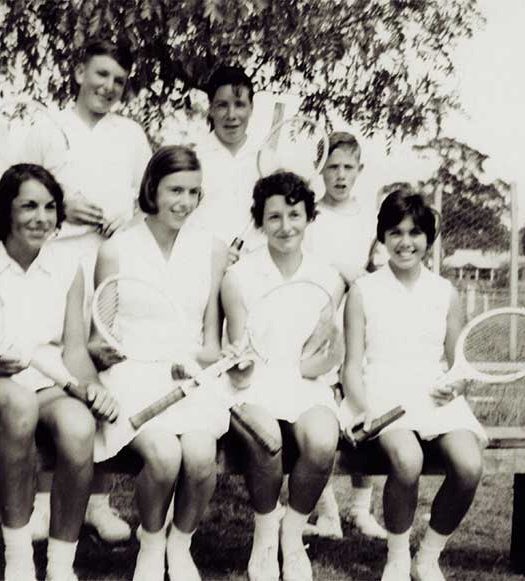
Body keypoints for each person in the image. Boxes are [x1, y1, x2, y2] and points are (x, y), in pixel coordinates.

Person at [0, 163, 119, 581]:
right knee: (18, 404)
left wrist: (91, 388)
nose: (41, 217)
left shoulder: (67, 265)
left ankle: (61, 566)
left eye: (50, 207)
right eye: (28, 206)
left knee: (79, 426)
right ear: (6, 210)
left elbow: (74, 350)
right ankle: (18, 561)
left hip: (47, 382)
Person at [30, 38, 152, 543]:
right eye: (100, 75)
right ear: (80, 72)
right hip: (55, 259)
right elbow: (20, 189)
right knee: (54, 373)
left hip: (110, 262)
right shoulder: (47, 125)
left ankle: (98, 502)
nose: (108, 87)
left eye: (119, 82)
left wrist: (130, 209)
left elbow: (149, 196)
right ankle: (42, 502)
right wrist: (64, 207)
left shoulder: (130, 134)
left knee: (103, 367)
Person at [90, 146, 230, 581]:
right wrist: (105, 352)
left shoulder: (212, 249)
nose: (184, 202)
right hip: (131, 378)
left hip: (191, 378)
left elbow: (212, 344)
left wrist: (190, 363)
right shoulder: (115, 250)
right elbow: (99, 338)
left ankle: (180, 544)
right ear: (153, 188)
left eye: (193, 192)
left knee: (201, 454)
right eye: (175, 190)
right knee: (165, 454)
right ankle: (150, 545)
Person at [342, 189, 486, 581]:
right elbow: (351, 368)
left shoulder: (445, 292)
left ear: (429, 237)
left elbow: (459, 365)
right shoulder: (363, 290)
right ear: (382, 237)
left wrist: (455, 386)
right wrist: (366, 409)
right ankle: (397, 557)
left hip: (434, 396)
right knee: (407, 460)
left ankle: (428, 557)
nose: (405, 242)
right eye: (395, 232)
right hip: (381, 395)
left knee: (470, 465)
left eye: (415, 232)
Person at [221, 171, 345, 581]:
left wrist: (319, 366)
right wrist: (242, 364)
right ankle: (265, 538)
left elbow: (327, 352)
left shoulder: (329, 278)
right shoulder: (238, 276)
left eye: (295, 214)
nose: (286, 226)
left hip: (305, 385)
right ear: (260, 222)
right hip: (253, 384)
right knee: (268, 439)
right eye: (274, 217)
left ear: (310, 216)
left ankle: (292, 537)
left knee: (324, 440)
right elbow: (240, 351)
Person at [302, 131, 387, 540]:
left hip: (363, 320)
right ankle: (326, 511)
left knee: (361, 404)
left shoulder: (370, 218)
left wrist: (363, 278)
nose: (339, 175)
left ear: (360, 170)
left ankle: (360, 507)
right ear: (320, 169)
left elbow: (378, 269)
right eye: (331, 167)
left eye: (347, 167)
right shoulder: (310, 216)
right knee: (320, 407)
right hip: (318, 318)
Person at [188, 64, 265, 253]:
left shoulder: (267, 160)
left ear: (251, 108)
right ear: (211, 109)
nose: (231, 115)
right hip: (203, 266)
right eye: (222, 105)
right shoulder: (193, 160)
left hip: (254, 266)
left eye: (239, 105)